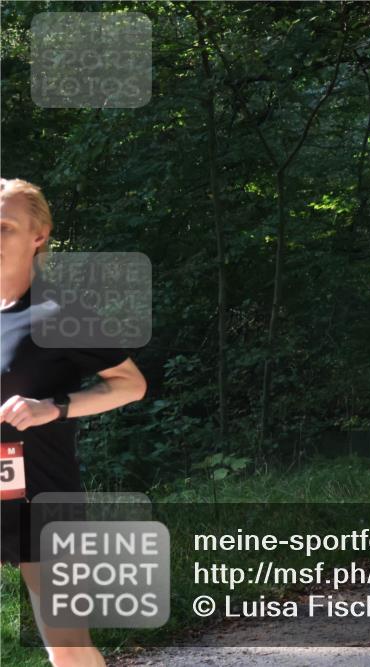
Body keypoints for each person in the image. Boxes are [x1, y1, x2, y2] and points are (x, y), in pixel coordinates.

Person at [0, 178, 147, 667]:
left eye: (5, 227)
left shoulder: (60, 312)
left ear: (38, 235)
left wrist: (54, 407)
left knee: (67, 646)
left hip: (43, 496)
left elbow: (130, 384)